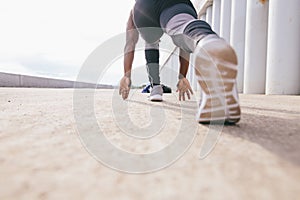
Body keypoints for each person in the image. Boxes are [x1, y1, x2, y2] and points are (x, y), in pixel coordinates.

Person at [119, 0, 241, 124]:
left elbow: (130, 44)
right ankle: (205, 39)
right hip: (178, 3)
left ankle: (155, 88)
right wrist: (182, 76)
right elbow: (184, 48)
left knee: (151, 42)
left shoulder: (133, 12)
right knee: (182, 27)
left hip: (144, 7)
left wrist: (126, 75)